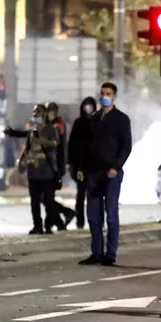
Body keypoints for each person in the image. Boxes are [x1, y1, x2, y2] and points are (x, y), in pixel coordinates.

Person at [76, 82, 133, 266]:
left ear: (114, 96)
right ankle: (96, 252)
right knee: (93, 215)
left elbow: (126, 146)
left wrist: (116, 167)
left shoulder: (121, 119)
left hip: (111, 173)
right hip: (93, 172)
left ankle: (110, 253)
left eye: (108, 93)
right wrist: (81, 168)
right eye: (102, 93)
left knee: (111, 214)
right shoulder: (93, 119)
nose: (104, 96)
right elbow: (84, 146)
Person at [18, 104, 66, 234]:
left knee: (48, 201)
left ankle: (48, 225)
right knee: (34, 201)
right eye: (34, 113)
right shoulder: (32, 131)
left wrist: (42, 142)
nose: (35, 115)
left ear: (44, 115)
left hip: (47, 172)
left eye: (38, 113)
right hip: (33, 171)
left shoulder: (51, 129)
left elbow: (55, 144)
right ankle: (37, 226)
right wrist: (22, 163)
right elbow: (28, 149)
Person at [67, 97, 97, 229]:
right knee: (81, 194)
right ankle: (80, 221)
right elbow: (72, 144)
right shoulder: (78, 123)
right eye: (86, 106)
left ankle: (93, 220)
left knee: (93, 195)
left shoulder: (98, 123)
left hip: (95, 165)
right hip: (80, 165)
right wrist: (70, 162)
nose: (88, 108)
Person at [44, 101, 75, 225]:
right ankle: (60, 218)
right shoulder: (48, 125)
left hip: (54, 167)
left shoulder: (59, 125)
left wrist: (61, 168)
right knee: (46, 197)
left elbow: (59, 148)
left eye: (51, 111)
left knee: (46, 196)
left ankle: (54, 221)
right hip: (46, 166)